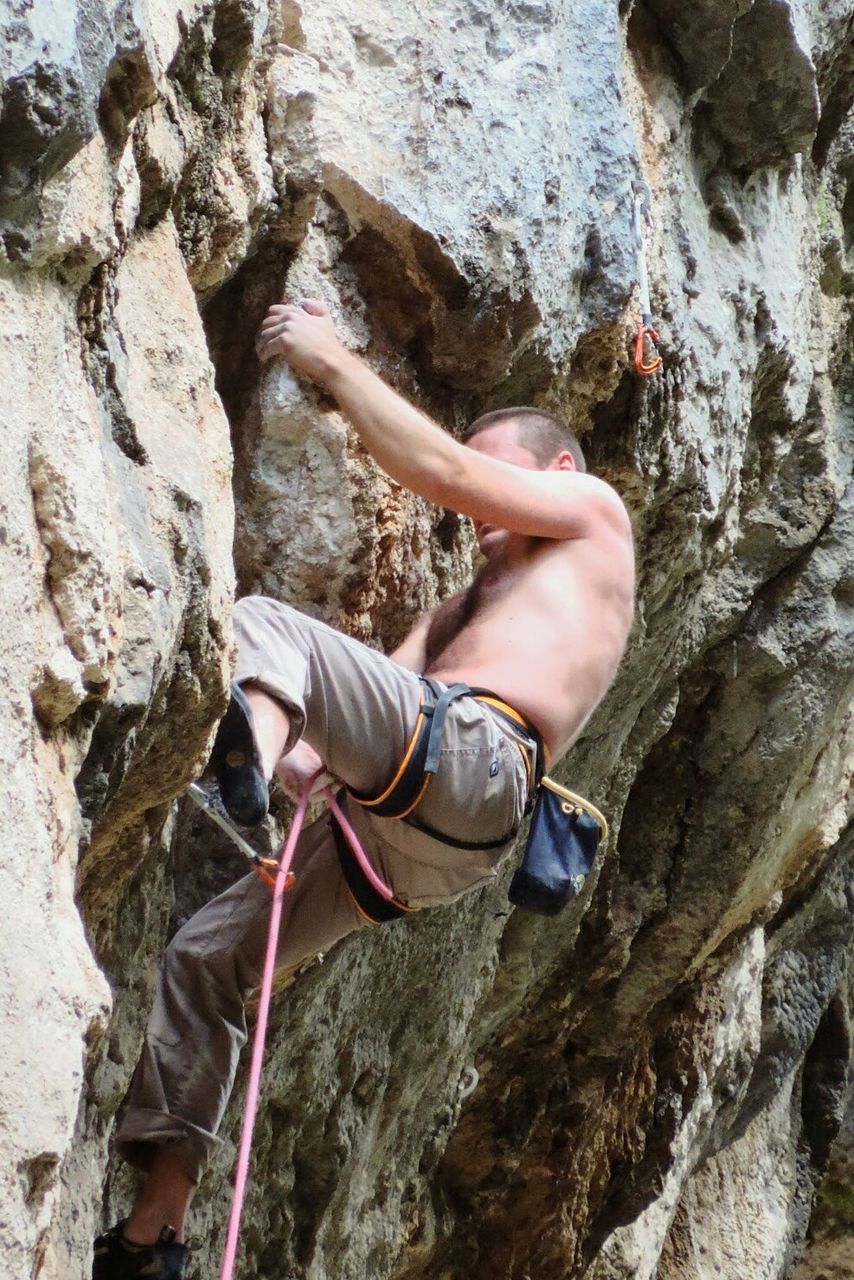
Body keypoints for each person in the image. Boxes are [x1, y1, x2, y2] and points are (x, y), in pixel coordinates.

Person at [92, 300, 635, 1279]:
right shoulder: (460, 606)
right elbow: (367, 701)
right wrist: (300, 752)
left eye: (500, 479)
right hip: (415, 836)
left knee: (266, 625)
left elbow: (447, 471)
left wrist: (333, 363)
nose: (477, 514)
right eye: (475, 508)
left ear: (555, 471)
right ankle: (155, 1235)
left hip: (479, 758)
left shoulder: (593, 514)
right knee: (208, 957)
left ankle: (236, 771)